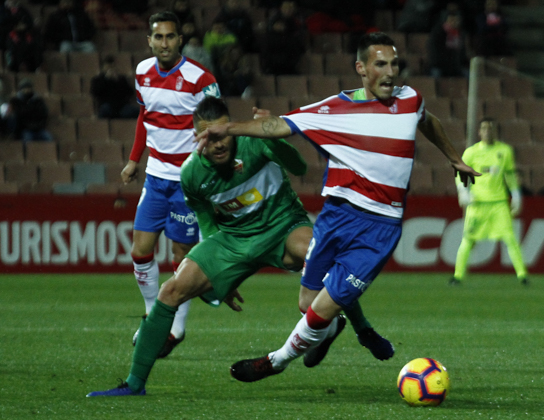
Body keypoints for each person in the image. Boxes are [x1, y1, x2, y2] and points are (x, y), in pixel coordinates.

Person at [192, 32, 479, 383]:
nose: (391, 72)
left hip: (379, 228)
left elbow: (427, 120)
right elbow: (279, 124)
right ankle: (334, 331)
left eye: (395, 64)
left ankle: (276, 360)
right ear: (361, 68)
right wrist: (230, 127)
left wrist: (454, 157)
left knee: (322, 307)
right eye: (380, 64)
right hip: (336, 216)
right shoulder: (334, 110)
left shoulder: (409, 99)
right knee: (307, 302)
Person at [86, 96, 396, 397]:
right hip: (233, 239)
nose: (218, 143)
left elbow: (299, 167)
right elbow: (207, 220)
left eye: (222, 133)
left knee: (326, 259)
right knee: (171, 291)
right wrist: (220, 272)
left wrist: (274, 140)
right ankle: (134, 383)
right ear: (196, 136)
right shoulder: (191, 173)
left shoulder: (255, 143)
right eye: (209, 136)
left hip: (283, 226)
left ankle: (363, 330)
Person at [120, 11, 221, 359]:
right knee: (140, 251)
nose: (164, 43)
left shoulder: (200, 78)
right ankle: (153, 314)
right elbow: (144, 117)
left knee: (181, 257)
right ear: (149, 40)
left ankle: (175, 327)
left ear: (181, 40)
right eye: (158, 37)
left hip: (187, 182)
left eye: (170, 37)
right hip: (155, 177)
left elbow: (216, 123)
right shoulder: (142, 73)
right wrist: (135, 159)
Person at [449, 118, 528, 287]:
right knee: (468, 239)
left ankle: (522, 276)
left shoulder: (504, 151)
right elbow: (460, 174)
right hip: (477, 204)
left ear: (494, 131)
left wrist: (516, 194)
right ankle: (457, 276)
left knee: (510, 239)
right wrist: (463, 191)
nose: (487, 131)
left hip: (499, 203)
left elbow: (510, 174)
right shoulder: (471, 152)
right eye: (484, 128)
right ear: (479, 132)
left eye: (490, 128)